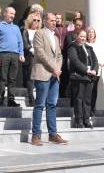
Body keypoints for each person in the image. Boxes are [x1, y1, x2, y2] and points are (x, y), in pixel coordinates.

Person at [30, 13, 68, 146]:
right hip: (43, 73)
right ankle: (36, 135)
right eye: (51, 20)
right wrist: (54, 68)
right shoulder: (39, 34)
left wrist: (57, 69)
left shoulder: (55, 37)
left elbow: (59, 55)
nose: (54, 23)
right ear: (45, 21)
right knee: (40, 105)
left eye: (54, 21)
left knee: (52, 105)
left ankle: (53, 134)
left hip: (54, 75)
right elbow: (40, 53)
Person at [67, 29, 99, 129]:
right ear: (76, 36)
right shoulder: (72, 47)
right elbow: (75, 61)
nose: (83, 38)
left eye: (84, 37)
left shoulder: (89, 48)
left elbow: (95, 61)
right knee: (79, 99)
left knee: (87, 100)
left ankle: (86, 120)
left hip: (89, 78)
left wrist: (94, 70)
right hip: (78, 77)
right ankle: (79, 121)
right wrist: (86, 70)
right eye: (81, 36)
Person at [0, 6, 25, 107]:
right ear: (5, 13)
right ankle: (0, 99)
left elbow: (20, 42)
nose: (12, 16)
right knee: (3, 78)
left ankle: (11, 100)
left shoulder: (16, 27)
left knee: (12, 79)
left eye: (13, 14)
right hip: (3, 54)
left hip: (15, 55)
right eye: (10, 13)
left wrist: (21, 53)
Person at [22, 12, 42, 106]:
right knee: (31, 79)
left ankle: (39, 99)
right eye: (34, 20)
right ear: (30, 20)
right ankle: (31, 99)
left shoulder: (40, 32)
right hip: (30, 57)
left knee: (39, 79)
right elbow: (25, 44)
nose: (36, 22)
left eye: (38, 20)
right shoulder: (26, 31)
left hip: (40, 58)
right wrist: (33, 51)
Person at [86, 27, 104, 116]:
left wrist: (102, 63)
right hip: (88, 71)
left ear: (95, 34)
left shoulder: (98, 45)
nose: (91, 34)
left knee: (94, 91)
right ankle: (87, 110)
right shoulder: (85, 45)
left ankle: (92, 110)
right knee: (88, 92)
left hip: (97, 71)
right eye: (89, 32)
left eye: (92, 32)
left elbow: (101, 57)